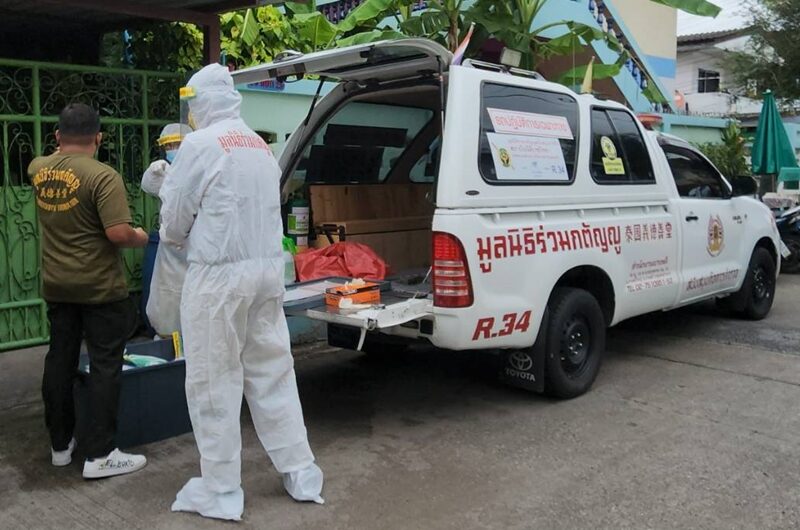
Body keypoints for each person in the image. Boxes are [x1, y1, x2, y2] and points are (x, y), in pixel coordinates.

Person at [159, 64, 323, 521]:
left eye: (192, 104)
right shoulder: (258, 145)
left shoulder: (199, 145)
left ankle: (221, 489)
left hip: (218, 280)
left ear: (201, 102)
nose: (191, 113)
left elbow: (174, 224)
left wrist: (164, 191)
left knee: (214, 382)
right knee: (273, 372)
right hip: (265, 274)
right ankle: (300, 471)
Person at [29, 103, 149, 479]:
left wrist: (61, 151)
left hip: (57, 285)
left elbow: (51, 159)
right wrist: (142, 236)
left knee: (59, 361)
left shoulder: (38, 169)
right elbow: (118, 233)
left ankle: (60, 446)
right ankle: (101, 454)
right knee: (105, 366)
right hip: (99, 288)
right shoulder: (103, 176)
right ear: (98, 137)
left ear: (57, 136)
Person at [141, 124, 192, 336]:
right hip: (170, 248)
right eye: (168, 146)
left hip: (195, 247)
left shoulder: (198, 169)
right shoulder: (165, 171)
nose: (172, 149)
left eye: (176, 144)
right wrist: (156, 173)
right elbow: (148, 185)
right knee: (167, 298)